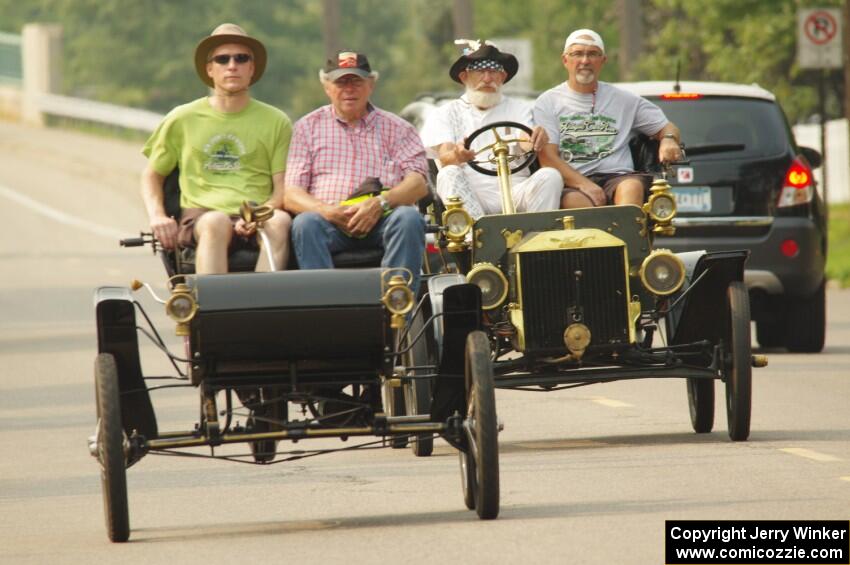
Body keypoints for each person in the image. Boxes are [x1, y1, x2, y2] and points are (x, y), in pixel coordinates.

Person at [141, 23, 292, 274]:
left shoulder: (277, 121)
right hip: (203, 216)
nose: (232, 65)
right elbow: (152, 174)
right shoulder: (182, 118)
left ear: (252, 68)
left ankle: (264, 307)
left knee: (280, 221)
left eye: (241, 58)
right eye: (223, 59)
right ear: (210, 69)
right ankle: (212, 309)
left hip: (256, 214)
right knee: (216, 222)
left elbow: (281, 191)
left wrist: (257, 216)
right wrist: (157, 215)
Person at [284, 51, 428, 292]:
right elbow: (291, 194)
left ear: (370, 84)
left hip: (383, 218)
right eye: (341, 82)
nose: (349, 89)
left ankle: (396, 311)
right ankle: (325, 312)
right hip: (328, 222)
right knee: (305, 223)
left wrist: (380, 203)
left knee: (409, 219)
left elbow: (418, 184)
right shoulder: (306, 128)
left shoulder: (399, 128)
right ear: (327, 87)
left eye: (356, 81)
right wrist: (327, 211)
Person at [421, 40, 577, 219]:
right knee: (448, 173)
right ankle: (478, 238)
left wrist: (535, 137)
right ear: (464, 77)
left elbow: (525, 140)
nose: (487, 79)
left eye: (493, 72)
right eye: (480, 71)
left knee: (550, 176)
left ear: (502, 77)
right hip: (472, 191)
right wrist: (458, 155)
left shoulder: (519, 108)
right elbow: (445, 157)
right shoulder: (445, 113)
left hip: (516, 190)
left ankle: (536, 238)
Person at [534, 28, 683, 208]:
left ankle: (627, 235)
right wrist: (585, 185)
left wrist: (668, 140)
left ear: (603, 60)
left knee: (632, 187)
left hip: (618, 177)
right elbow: (547, 157)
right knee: (574, 201)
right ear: (565, 60)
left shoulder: (625, 100)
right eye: (577, 54)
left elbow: (666, 127)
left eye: (593, 54)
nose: (585, 60)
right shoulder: (548, 102)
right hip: (573, 182)